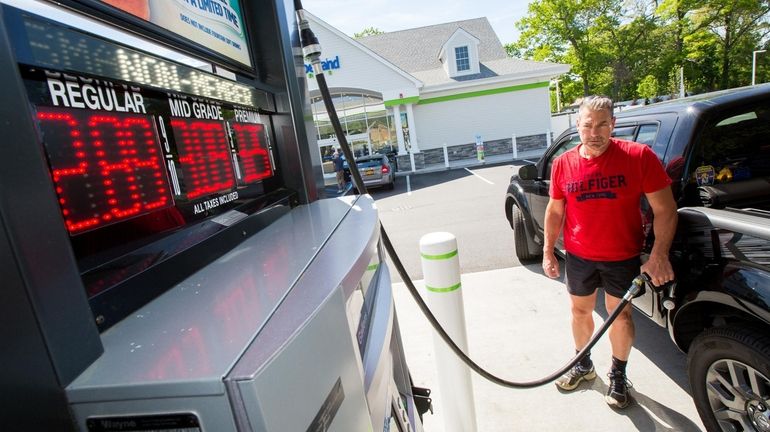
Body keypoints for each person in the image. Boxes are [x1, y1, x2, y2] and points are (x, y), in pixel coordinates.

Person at [543, 95, 677, 409]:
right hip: (579, 256)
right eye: (588, 124)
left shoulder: (638, 156)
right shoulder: (563, 163)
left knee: (621, 316)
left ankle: (618, 374)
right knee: (579, 312)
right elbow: (554, 211)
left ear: (613, 124)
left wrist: (659, 255)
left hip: (621, 256)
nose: (595, 131)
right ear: (577, 125)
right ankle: (583, 363)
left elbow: (666, 209)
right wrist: (548, 251)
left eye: (603, 124)